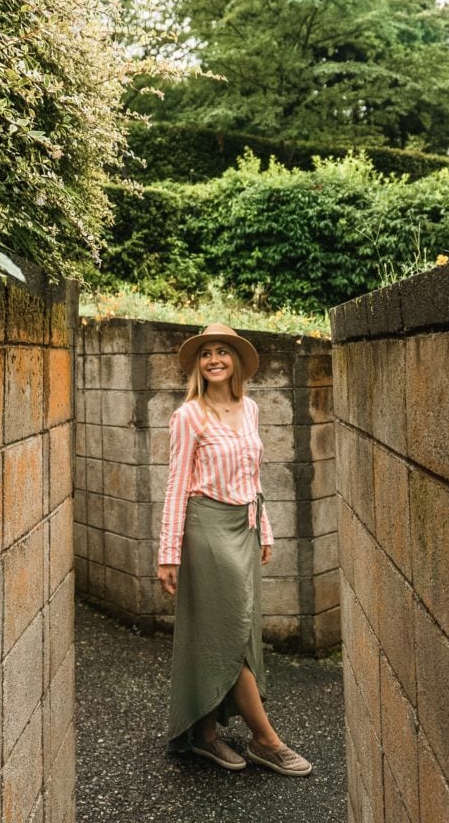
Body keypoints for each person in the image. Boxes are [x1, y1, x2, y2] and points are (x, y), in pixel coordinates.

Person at [158, 323, 312, 776]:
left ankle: (205, 733)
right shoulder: (189, 416)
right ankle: (266, 740)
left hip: (242, 528)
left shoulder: (251, 409)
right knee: (231, 633)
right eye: (206, 353)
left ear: (237, 361)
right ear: (198, 365)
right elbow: (176, 485)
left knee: (229, 631)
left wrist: (262, 528)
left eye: (223, 351)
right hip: (206, 528)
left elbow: (253, 475)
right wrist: (169, 551)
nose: (214, 360)